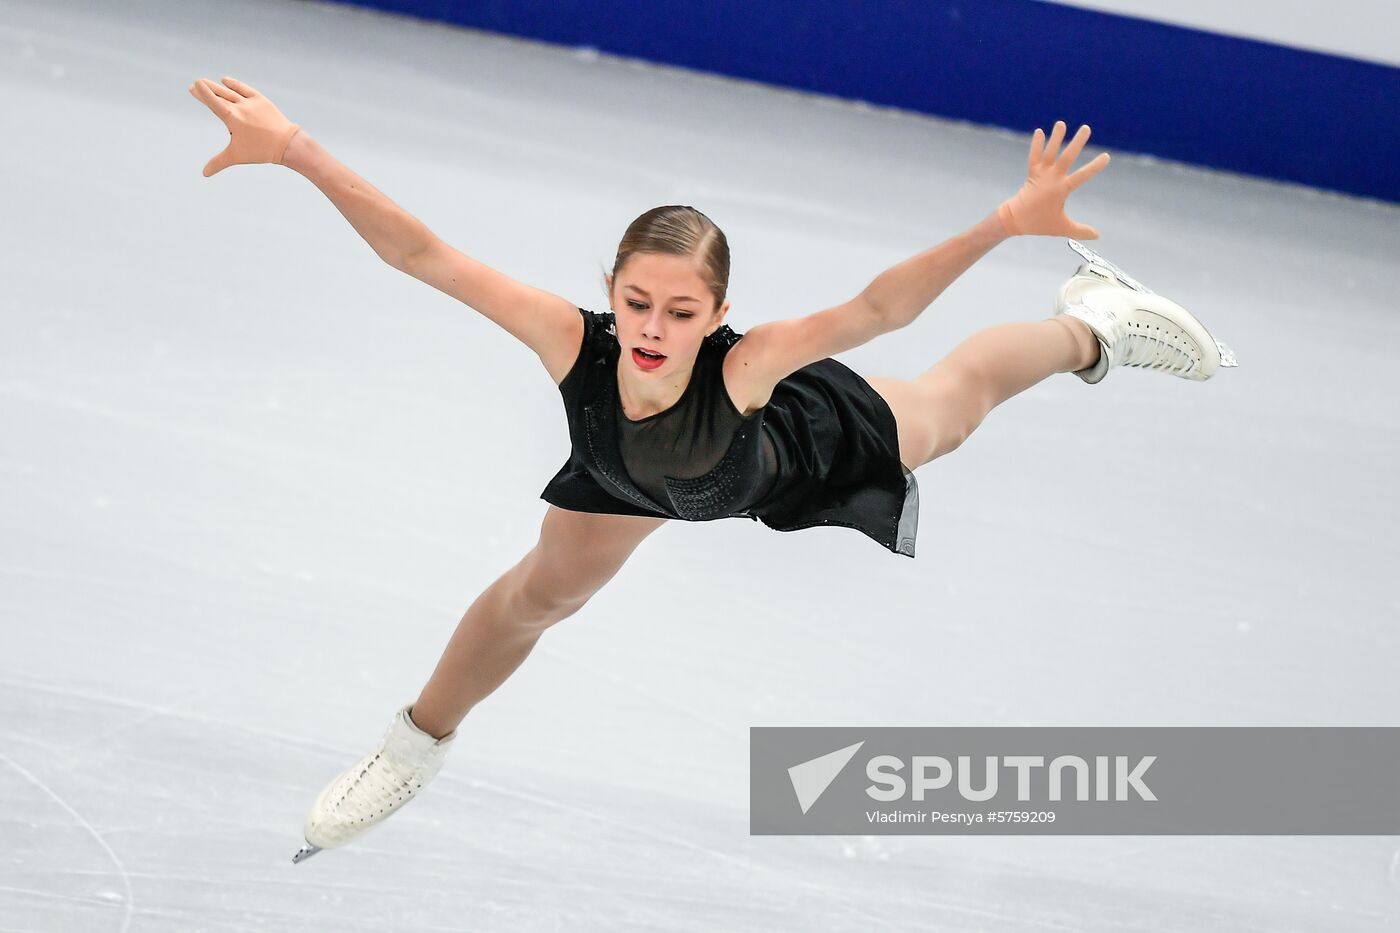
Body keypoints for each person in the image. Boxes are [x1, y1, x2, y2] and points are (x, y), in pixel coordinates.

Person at [186, 76, 1235, 862]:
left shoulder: (749, 366)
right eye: (637, 303)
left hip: (779, 458)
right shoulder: (572, 340)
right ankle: (410, 748)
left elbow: (878, 312)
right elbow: (421, 254)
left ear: (718, 317)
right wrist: (294, 149)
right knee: (534, 595)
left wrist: (1002, 224)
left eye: (681, 313)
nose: (651, 328)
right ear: (612, 289)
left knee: (951, 411)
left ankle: (1088, 326)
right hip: (626, 475)